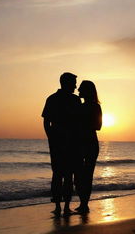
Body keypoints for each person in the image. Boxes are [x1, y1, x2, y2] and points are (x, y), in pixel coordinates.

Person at [42, 72, 81, 216]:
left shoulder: (73, 100)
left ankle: (63, 206)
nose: (76, 86)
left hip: (69, 142)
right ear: (67, 83)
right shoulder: (53, 99)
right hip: (60, 142)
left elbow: (79, 123)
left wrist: (51, 138)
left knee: (62, 175)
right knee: (60, 174)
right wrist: (51, 137)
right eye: (74, 83)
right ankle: (61, 206)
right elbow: (46, 121)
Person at [75, 80, 102, 213]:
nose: (78, 90)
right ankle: (83, 203)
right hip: (81, 143)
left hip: (89, 142)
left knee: (86, 175)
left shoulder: (95, 106)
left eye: (81, 89)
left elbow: (98, 126)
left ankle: (84, 204)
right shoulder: (79, 106)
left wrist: (82, 124)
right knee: (79, 175)